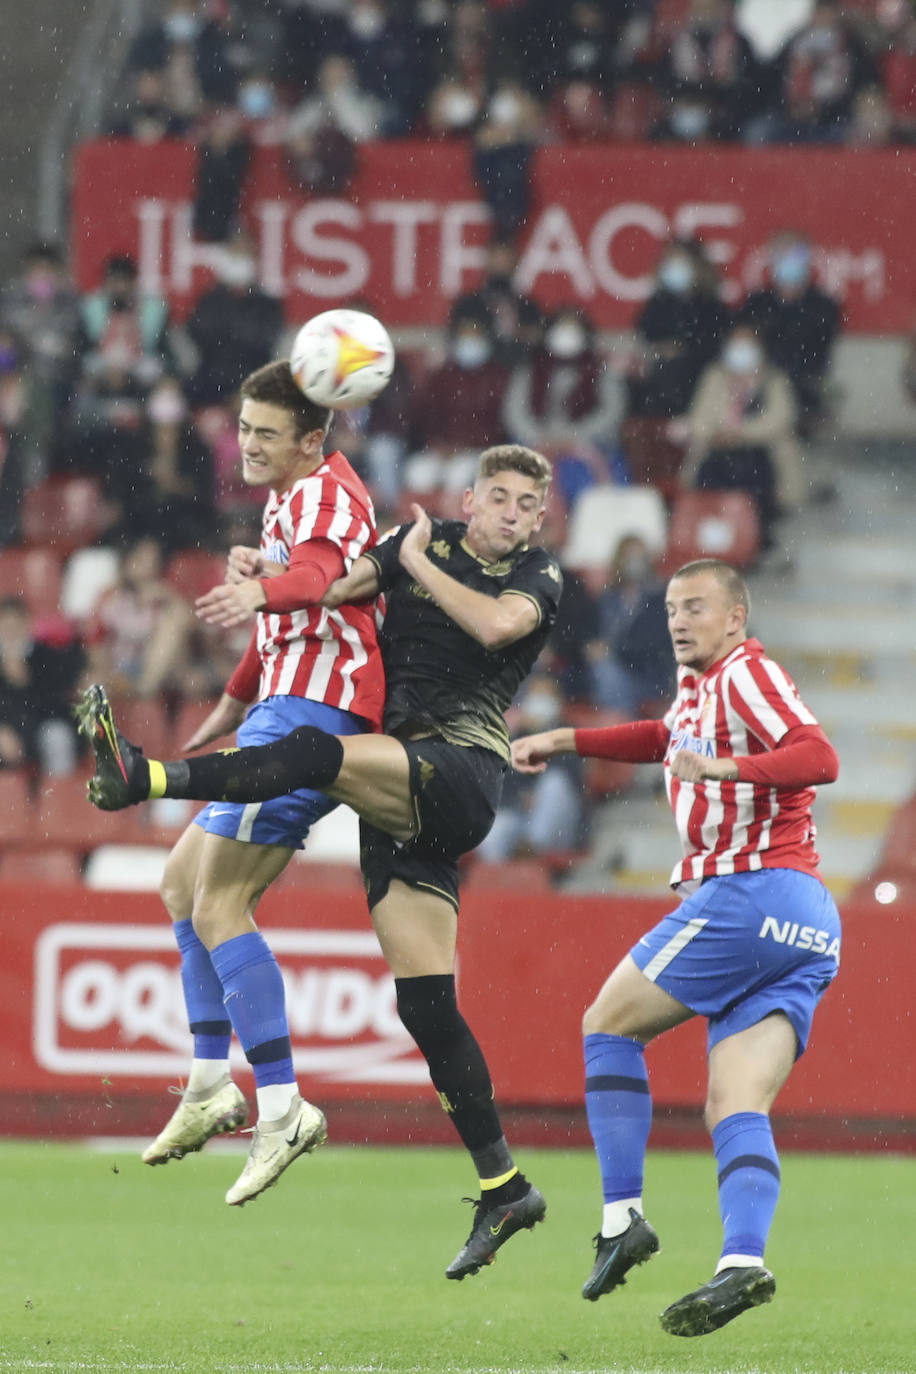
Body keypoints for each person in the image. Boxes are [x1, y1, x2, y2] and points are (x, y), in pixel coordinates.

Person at [78, 443, 561, 1280]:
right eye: (500, 497)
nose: (512, 514)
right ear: (472, 497)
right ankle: (504, 1184)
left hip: (458, 771)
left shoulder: (538, 577)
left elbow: (493, 626)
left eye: (527, 505)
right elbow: (337, 588)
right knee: (426, 1008)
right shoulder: (420, 540)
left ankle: (150, 776)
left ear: (539, 520)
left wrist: (410, 556)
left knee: (312, 751)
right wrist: (269, 571)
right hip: (397, 798)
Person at [511, 558, 841, 1336]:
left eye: (696, 606)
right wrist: (566, 739)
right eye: (670, 609)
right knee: (735, 1103)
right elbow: (663, 737)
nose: (679, 620)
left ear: (735, 617)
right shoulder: (701, 690)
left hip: (748, 892)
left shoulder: (745, 672)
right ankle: (742, 1262)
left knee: (607, 1024)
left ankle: (623, 1216)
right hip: (809, 924)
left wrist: (727, 767)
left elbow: (819, 756)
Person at [89, 360, 385, 1210]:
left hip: (316, 718)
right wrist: (225, 708)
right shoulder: (287, 501)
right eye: (244, 428)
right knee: (180, 882)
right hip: (280, 708)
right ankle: (210, 1083)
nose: (247, 444)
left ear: (312, 439)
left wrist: (258, 587)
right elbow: (283, 617)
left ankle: (283, 1105)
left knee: (220, 904)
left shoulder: (326, 495)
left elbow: (319, 580)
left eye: (265, 433)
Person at [673, 322, 803, 547]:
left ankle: (756, 538)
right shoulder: (714, 377)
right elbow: (700, 417)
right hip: (717, 451)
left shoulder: (774, 379)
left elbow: (780, 419)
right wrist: (717, 432)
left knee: (753, 476)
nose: (740, 351)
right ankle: (714, 540)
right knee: (711, 478)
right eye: (735, 345)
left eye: (747, 345)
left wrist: (740, 433)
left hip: (760, 454)